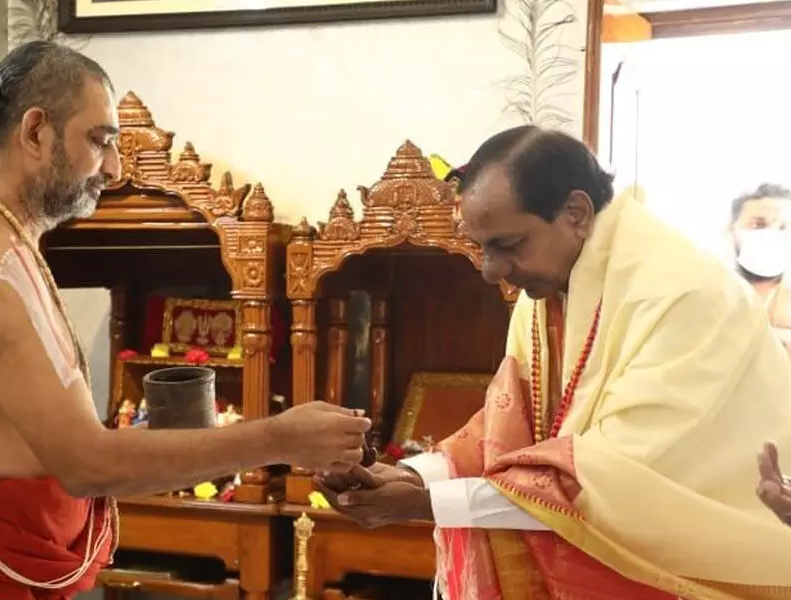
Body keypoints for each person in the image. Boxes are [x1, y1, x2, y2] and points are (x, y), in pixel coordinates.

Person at [0, 41, 371, 600]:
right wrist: (278, 437)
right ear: (35, 133)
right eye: (100, 141)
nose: (116, 170)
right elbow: (85, 463)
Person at [316, 126, 791, 599]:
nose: (490, 270)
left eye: (508, 244)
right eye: (483, 247)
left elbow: (613, 474)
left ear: (576, 213)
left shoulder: (684, 293)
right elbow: (512, 426)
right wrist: (416, 473)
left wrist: (428, 501)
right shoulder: (551, 284)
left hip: (703, 567)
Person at [729, 183, 791, 356]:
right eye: (758, 225)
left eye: (783, 227)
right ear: (731, 230)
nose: (771, 235)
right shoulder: (709, 291)